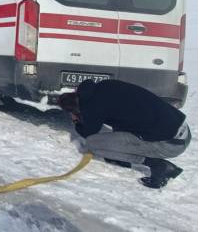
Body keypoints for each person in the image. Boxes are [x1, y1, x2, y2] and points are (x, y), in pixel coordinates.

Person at [58, 79, 191, 189]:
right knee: (119, 134)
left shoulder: (91, 106)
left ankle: (158, 165)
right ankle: (121, 156)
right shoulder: (105, 85)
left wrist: (76, 121)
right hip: (183, 129)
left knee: (94, 143)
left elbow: (88, 132)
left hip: (171, 144)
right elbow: (122, 114)